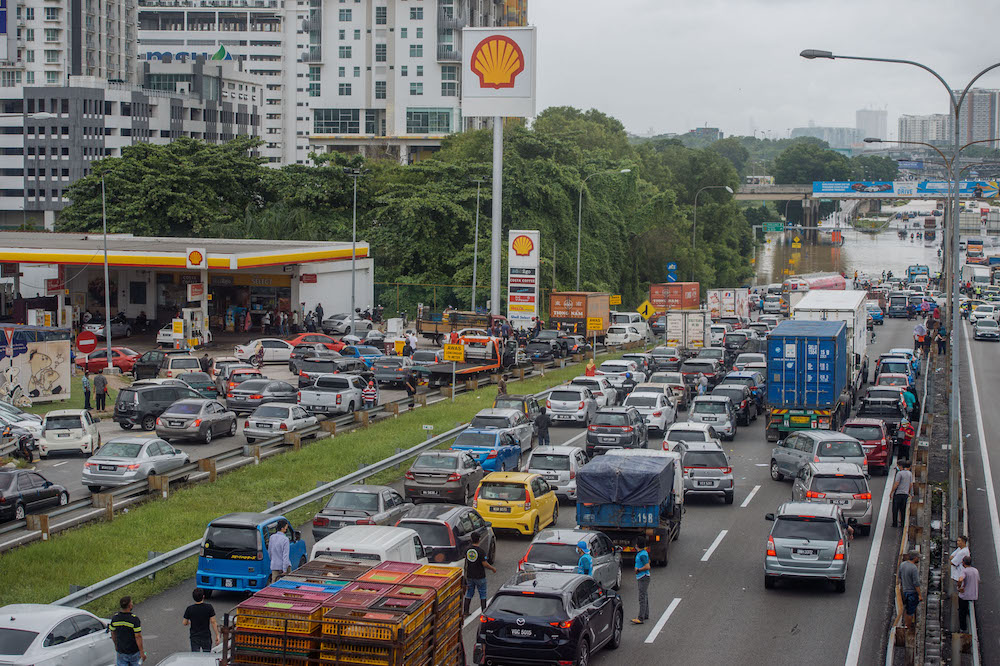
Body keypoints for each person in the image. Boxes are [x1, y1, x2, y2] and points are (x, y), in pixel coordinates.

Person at [462, 531, 496, 617]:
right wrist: (492, 568)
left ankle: (466, 611)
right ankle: (483, 612)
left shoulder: (467, 550)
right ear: (479, 539)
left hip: (470, 575)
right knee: (482, 593)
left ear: (471, 539)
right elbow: (484, 563)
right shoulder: (481, 551)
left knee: (469, 593)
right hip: (480, 575)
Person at [110, 596, 146, 666]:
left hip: (121, 651)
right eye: (131, 603)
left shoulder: (115, 618)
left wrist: (116, 645)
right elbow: (138, 636)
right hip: (133, 651)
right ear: (130, 606)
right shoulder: (134, 619)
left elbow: (113, 633)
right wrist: (141, 651)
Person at [182, 588, 219, 652]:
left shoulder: (189, 609)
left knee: (195, 655)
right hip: (206, 636)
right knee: (206, 655)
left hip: (194, 637)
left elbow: (184, 623)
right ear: (203, 596)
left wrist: (189, 622)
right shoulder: (209, 607)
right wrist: (217, 635)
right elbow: (213, 622)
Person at [632, 535, 651, 625]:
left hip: (642, 577)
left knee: (642, 597)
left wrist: (638, 570)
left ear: (637, 545)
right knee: (645, 595)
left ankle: (640, 618)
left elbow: (647, 566)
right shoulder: (643, 552)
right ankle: (645, 614)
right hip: (643, 577)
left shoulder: (642, 554)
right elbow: (648, 561)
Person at [900, 551, 922, 630]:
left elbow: (899, 576)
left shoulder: (902, 565)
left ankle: (906, 625)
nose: (918, 559)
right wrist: (920, 595)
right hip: (912, 593)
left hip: (904, 591)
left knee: (906, 609)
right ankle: (908, 628)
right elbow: (916, 583)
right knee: (910, 612)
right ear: (915, 558)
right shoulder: (913, 568)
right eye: (918, 557)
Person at [958, 554, 980, 632]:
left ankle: (963, 628)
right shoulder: (975, 570)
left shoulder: (964, 571)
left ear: (963, 563)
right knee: (969, 611)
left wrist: (959, 587)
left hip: (964, 596)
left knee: (962, 612)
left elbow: (960, 579)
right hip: (974, 595)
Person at [891, 461, 914, 528]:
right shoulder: (909, 473)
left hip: (898, 494)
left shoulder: (899, 473)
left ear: (901, 466)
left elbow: (896, 484)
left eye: (898, 466)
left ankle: (894, 523)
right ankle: (902, 523)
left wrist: (891, 492)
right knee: (903, 509)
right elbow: (911, 484)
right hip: (905, 494)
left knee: (895, 509)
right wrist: (909, 492)